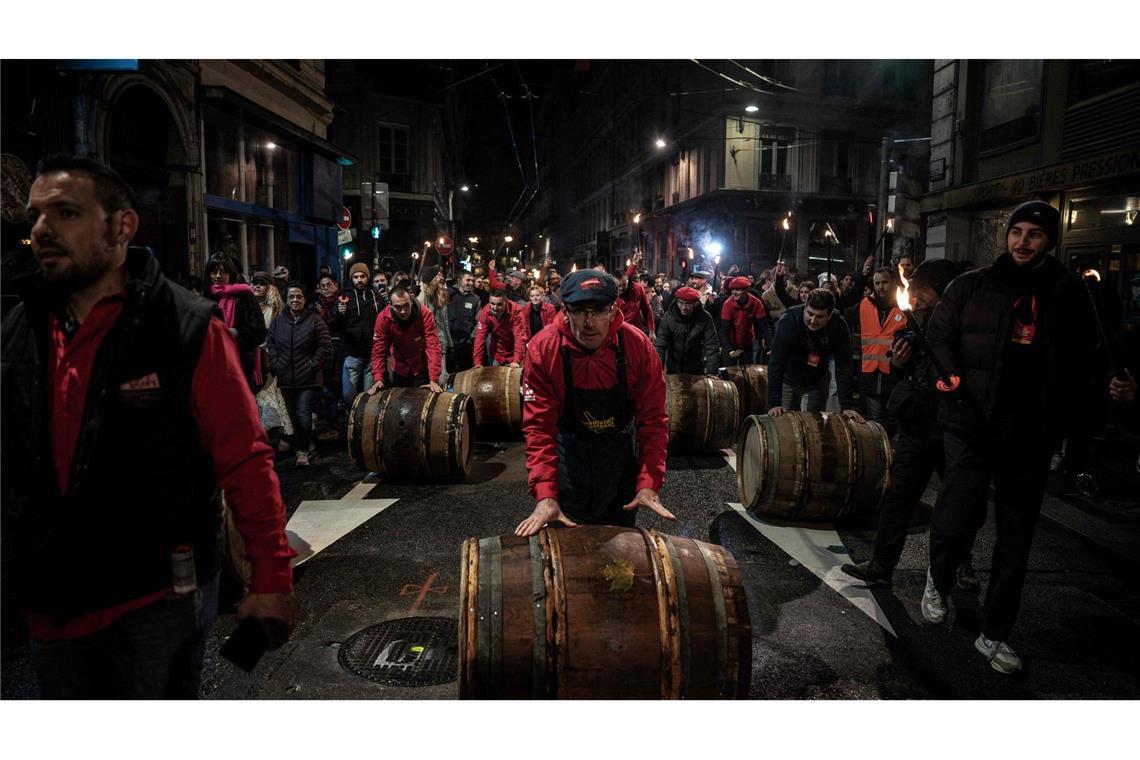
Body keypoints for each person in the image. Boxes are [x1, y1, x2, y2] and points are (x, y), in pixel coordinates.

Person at [3, 155, 296, 698]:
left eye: (65, 213)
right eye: (35, 215)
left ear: (122, 226)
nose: (42, 229)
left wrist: (272, 578)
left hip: (154, 596)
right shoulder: (21, 325)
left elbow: (246, 457)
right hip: (52, 597)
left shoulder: (183, 326)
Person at [921, 200, 1097, 674]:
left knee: (1016, 541)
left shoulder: (1068, 293)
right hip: (971, 424)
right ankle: (938, 578)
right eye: (1016, 232)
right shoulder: (971, 285)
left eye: (1033, 235)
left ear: (1048, 242)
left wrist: (1101, 397)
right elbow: (938, 336)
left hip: (1030, 435)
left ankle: (995, 633)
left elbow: (1087, 357)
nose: (1022, 241)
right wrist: (952, 378)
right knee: (959, 514)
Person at [842, 260, 979, 589]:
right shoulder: (916, 323)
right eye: (912, 292)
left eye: (922, 292)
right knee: (898, 496)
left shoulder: (965, 325)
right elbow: (904, 365)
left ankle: (963, 565)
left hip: (953, 427)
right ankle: (881, 564)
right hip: (918, 423)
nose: (914, 299)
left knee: (959, 501)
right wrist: (900, 361)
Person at [514, 269, 674, 536]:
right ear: (564, 310)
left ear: (613, 310)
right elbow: (539, 429)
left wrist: (648, 482)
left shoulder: (637, 346)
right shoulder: (543, 349)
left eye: (598, 310)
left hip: (618, 459)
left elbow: (654, 421)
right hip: (569, 458)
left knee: (620, 561)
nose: (589, 323)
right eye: (579, 311)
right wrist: (545, 495)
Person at [767, 288, 864, 421]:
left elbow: (844, 366)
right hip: (790, 379)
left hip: (818, 380)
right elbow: (776, 362)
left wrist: (846, 405)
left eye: (819, 316)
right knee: (785, 424)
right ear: (805, 306)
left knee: (815, 425)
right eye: (810, 314)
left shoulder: (838, 324)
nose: (813, 320)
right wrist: (774, 403)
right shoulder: (790, 320)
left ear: (829, 315)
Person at [267, 283, 332, 466]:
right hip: (286, 377)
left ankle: (302, 451)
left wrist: (313, 364)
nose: (295, 300)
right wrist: (276, 363)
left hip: (309, 378)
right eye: (291, 297)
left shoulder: (314, 319)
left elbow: (325, 344)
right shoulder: (279, 321)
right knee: (293, 416)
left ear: (304, 299)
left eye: (299, 297)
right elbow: (271, 343)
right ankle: (304, 443)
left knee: (303, 413)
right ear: (287, 300)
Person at [843, 266, 908, 425]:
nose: (880, 287)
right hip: (870, 375)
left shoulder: (904, 306)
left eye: (884, 282)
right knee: (875, 423)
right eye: (877, 283)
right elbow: (843, 311)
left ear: (892, 282)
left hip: (895, 375)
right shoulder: (865, 305)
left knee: (894, 421)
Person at [204, 252, 267, 394]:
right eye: (214, 272)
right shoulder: (207, 296)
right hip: (213, 365)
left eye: (223, 272)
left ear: (231, 273)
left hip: (240, 364)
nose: (218, 276)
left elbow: (259, 331)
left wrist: (234, 333)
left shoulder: (244, 295)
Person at [367, 285, 443, 393]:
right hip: (400, 366)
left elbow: (433, 346)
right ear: (390, 305)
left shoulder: (425, 314)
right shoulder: (383, 318)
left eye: (406, 305)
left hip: (421, 365)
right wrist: (378, 378)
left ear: (411, 300)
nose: (403, 311)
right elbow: (378, 350)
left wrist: (434, 379)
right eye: (398, 307)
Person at [250, 270, 293, 442]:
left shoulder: (275, 308)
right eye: (255, 282)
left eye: (262, 283)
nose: (257, 286)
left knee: (270, 394)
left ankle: (277, 434)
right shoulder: (248, 306)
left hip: (269, 358)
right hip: (252, 357)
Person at [335, 262, 382, 404]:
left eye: (362, 276)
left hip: (371, 353)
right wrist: (339, 314)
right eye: (356, 277)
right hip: (352, 353)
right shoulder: (345, 297)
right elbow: (335, 326)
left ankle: (363, 424)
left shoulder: (375, 296)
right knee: (348, 395)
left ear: (367, 277)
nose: (359, 280)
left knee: (369, 397)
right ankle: (350, 418)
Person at [654, 285, 721, 375]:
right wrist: (658, 369)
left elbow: (711, 346)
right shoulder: (669, 316)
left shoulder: (704, 318)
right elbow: (660, 344)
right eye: (680, 303)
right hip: (673, 367)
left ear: (696, 303)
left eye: (688, 304)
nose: (683, 307)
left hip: (695, 368)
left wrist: (711, 372)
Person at [313, 273, 344, 440]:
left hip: (340, 349)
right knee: (327, 389)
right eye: (322, 285)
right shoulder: (315, 305)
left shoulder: (342, 302)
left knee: (340, 389)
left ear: (336, 286)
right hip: (324, 350)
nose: (326, 288)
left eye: (329, 284)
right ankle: (331, 426)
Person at [417, 265, 453, 385]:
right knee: (431, 378)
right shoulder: (424, 297)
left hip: (441, 342)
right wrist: (422, 285)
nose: (441, 277)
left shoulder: (441, 295)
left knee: (442, 377)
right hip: (427, 344)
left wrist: (449, 343)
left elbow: (445, 323)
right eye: (437, 275)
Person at [719, 276, 768, 366]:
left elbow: (764, 327)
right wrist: (730, 349)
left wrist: (770, 346)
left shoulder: (756, 303)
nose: (734, 292)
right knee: (730, 373)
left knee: (747, 372)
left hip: (747, 343)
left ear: (747, 290)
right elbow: (724, 330)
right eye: (733, 289)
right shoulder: (728, 304)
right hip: (730, 343)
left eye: (738, 289)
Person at [473, 288, 528, 368]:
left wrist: (517, 360)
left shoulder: (516, 311)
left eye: (499, 304)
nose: (495, 307)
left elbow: (519, 337)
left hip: (515, 351)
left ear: (506, 302)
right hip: (497, 352)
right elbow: (480, 338)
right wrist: (477, 362)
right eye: (492, 303)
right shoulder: (486, 311)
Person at [447, 270, 482, 378]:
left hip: (466, 343)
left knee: (464, 374)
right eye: (468, 280)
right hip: (449, 342)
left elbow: (478, 321)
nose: (471, 283)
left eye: (472, 280)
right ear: (459, 280)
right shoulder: (448, 294)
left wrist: (471, 338)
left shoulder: (475, 299)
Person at [615, 262, 655, 338]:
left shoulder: (638, 289)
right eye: (619, 286)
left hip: (636, 331)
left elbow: (646, 309)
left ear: (628, 281)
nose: (621, 288)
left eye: (624, 285)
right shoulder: (610, 293)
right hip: (618, 332)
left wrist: (652, 330)